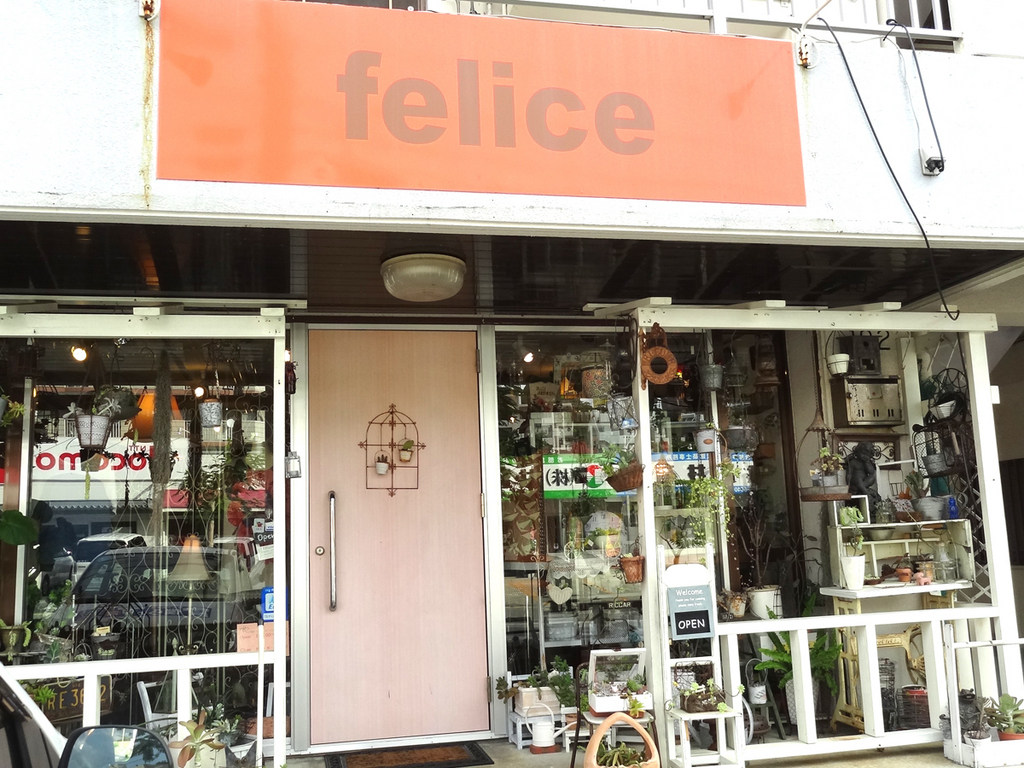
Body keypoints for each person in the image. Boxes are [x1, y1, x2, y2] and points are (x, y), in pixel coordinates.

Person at [846, 441, 882, 513]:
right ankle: (865, 491)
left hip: (864, 482)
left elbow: (871, 472)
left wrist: (867, 462)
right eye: (862, 453)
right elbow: (849, 474)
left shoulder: (867, 463)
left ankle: (862, 489)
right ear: (857, 452)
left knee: (872, 478)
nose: (863, 456)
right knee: (857, 478)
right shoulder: (853, 462)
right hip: (855, 481)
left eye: (866, 455)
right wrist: (848, 483)